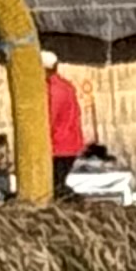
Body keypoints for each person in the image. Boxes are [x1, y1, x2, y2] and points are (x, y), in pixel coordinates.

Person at [41, 48, 89, 195]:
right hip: (69, 144)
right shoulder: (66, 86)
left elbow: (50, 118)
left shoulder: (54, 90)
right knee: (57, 184)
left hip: (58, 146)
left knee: (54, 187)